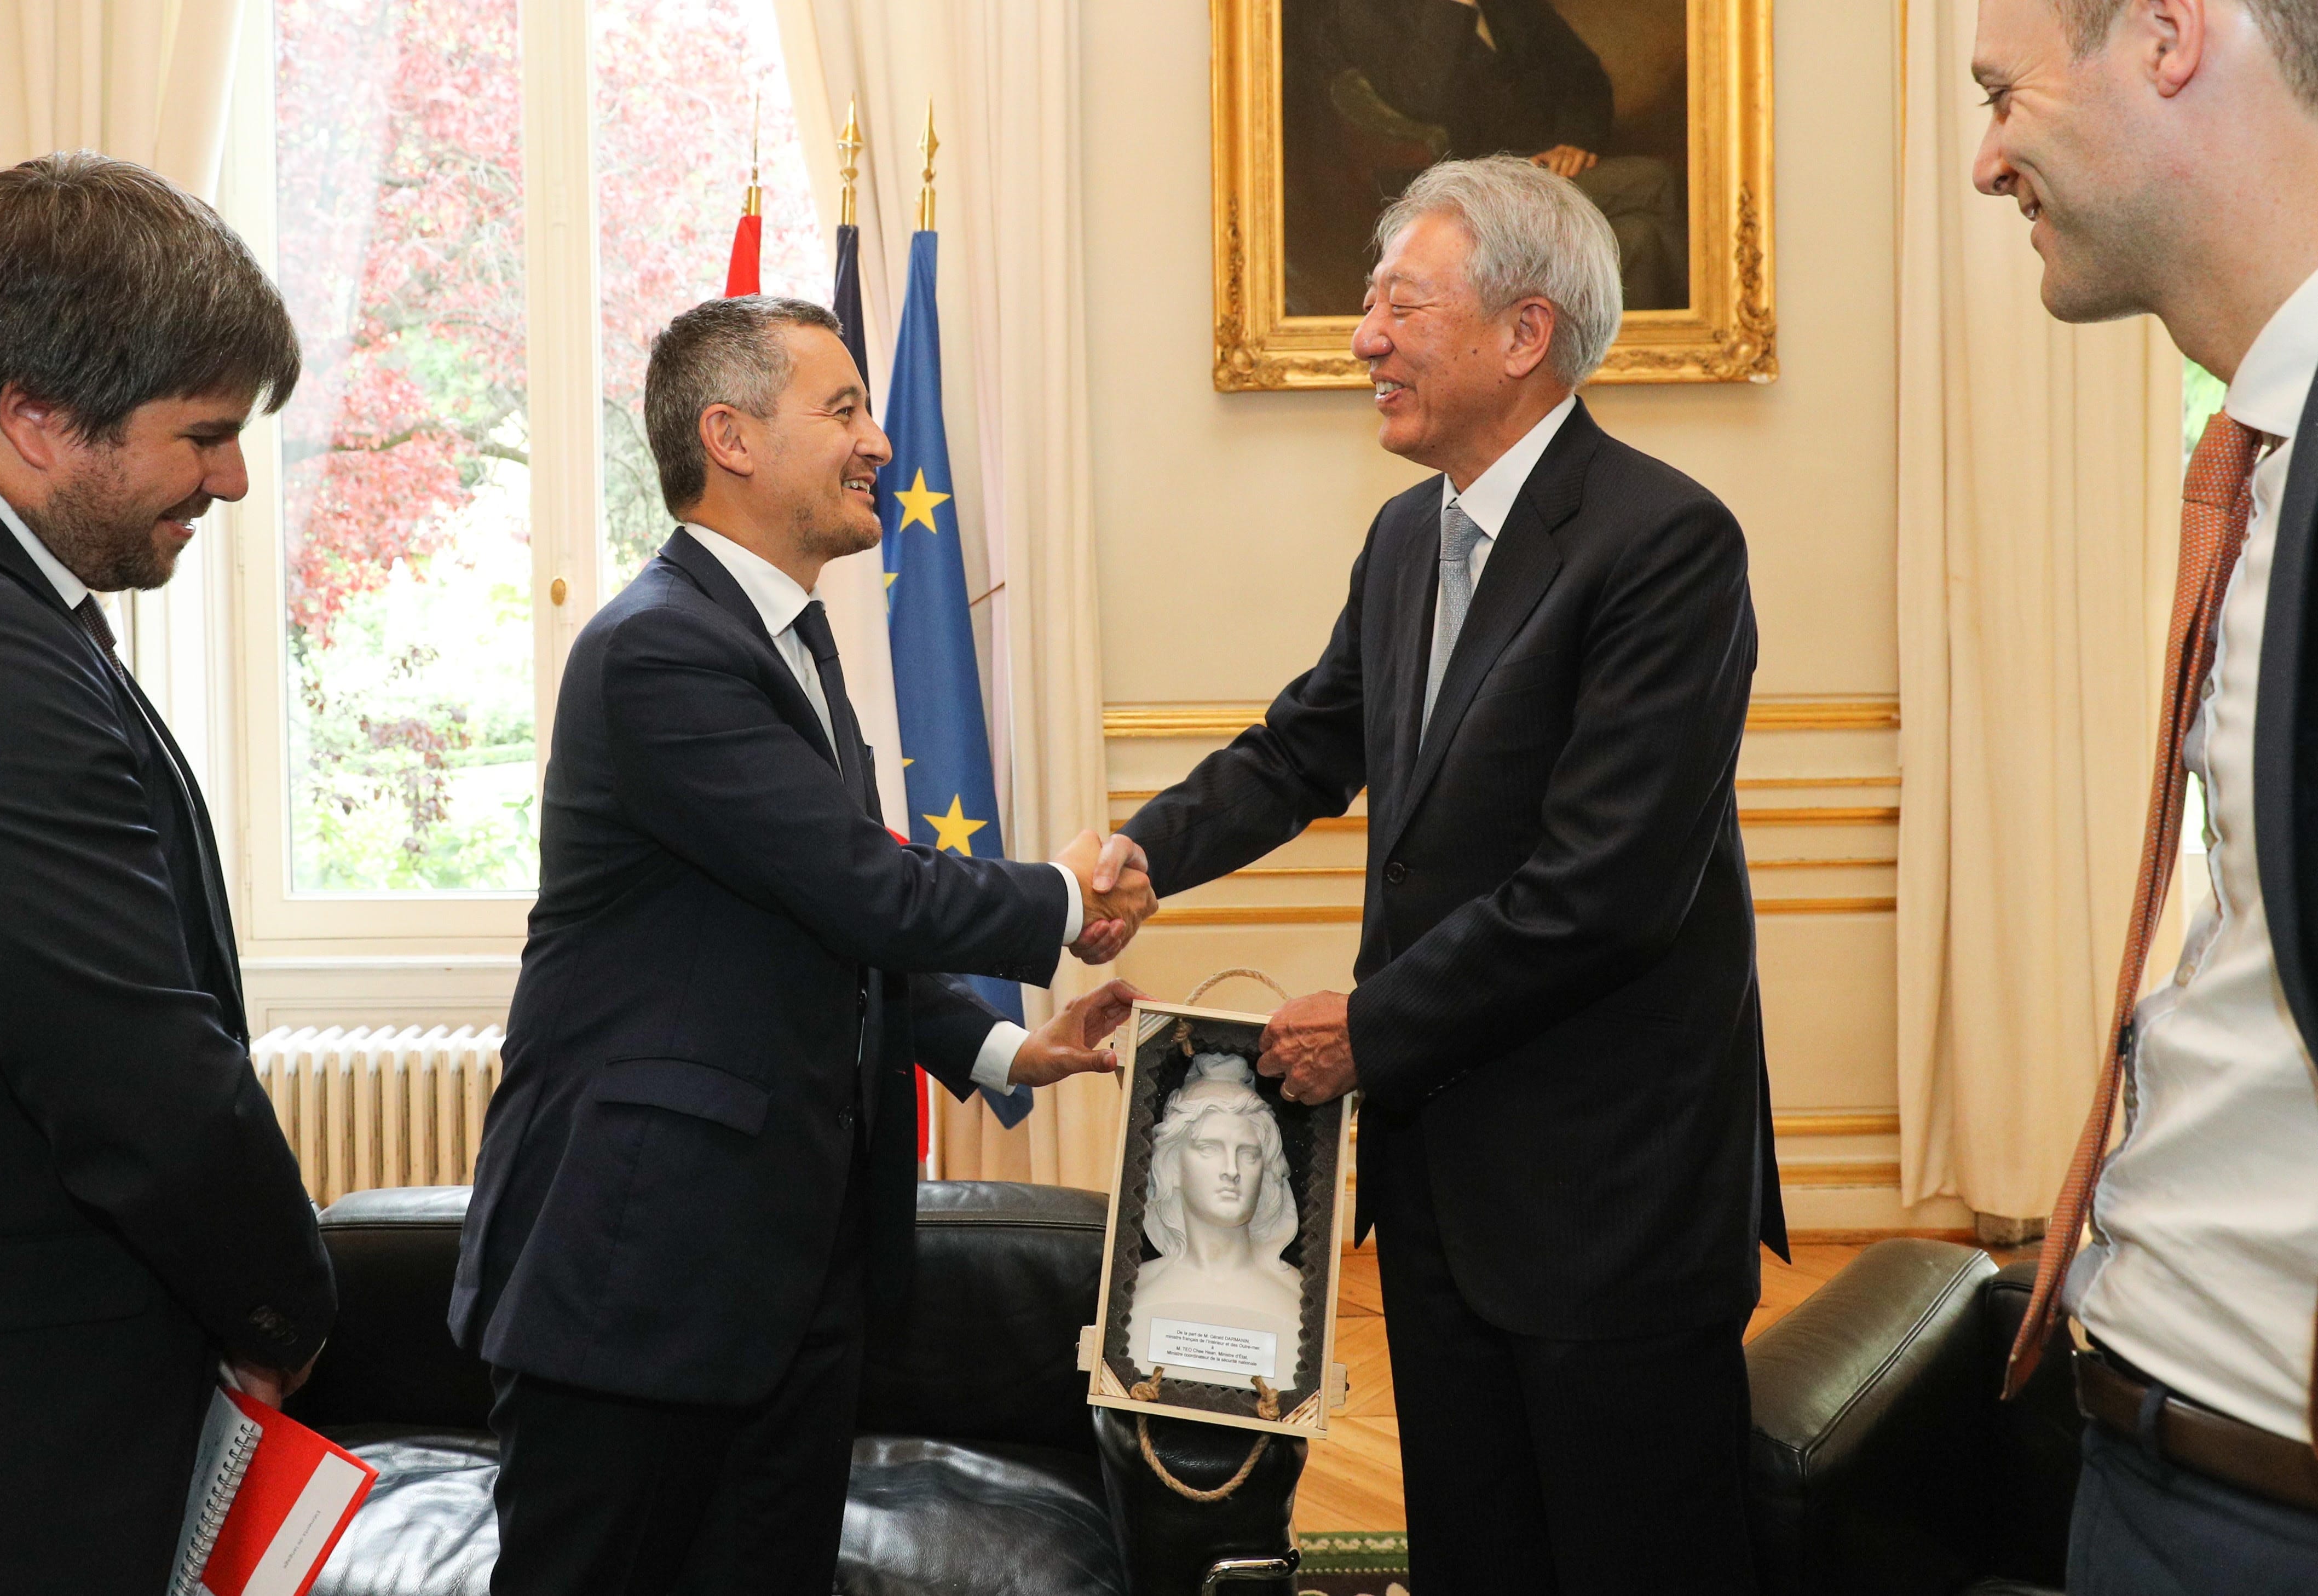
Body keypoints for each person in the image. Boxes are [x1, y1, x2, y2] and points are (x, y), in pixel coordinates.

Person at [1091, 155, 1784, 1595]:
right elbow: (1307, 745)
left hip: (1611, 1193)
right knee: (1478, 1552)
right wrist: (1144, 854)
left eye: (1399, 304)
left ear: (1525, 332)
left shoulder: (1665, 543)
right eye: (1370, 304)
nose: (1363, 338)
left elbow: (1602, 891)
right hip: (1441, 1183)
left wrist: (1371, 1026)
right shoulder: (1410, 533)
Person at [450, 295, 1157, 1595]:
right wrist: (1065, 896)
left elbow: (823, 924)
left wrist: (1006, 1047)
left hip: (785, 1275)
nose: (878, 441)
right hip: (640, 1272)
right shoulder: (659, 648)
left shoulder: (787, 641)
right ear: (730, 436)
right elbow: (861, 887)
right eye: (843, 409)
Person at [1971, 1, 2318, 1587]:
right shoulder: (2271, 448)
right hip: (2175, 1460)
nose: (1986, 161)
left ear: (2168, 37)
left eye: (2003, 94)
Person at [0, 153, 336, 1592]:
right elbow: (131, 1068)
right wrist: (281, 1304)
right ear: (36, 418)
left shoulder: (24, 616)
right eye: (205, 434)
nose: (233, 479)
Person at [1286, 0, 1689, 312]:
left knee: (1642, 237)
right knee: (1655, 181)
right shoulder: (1365, 11)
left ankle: (1670, 350)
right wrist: (1454, 6)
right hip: (1465, 191)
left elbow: (1585, 77)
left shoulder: (1509, 5)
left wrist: (1574, 142)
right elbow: (1422, 99)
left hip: (1545, 171)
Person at [1131, 1052, 1306, 1391]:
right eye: (1209, 1149)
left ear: (1266, 1171)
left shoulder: (1299, 1298)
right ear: (1172, 1166)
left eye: (1248, 1154)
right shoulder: (1137, 1290)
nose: (1231, 1170)